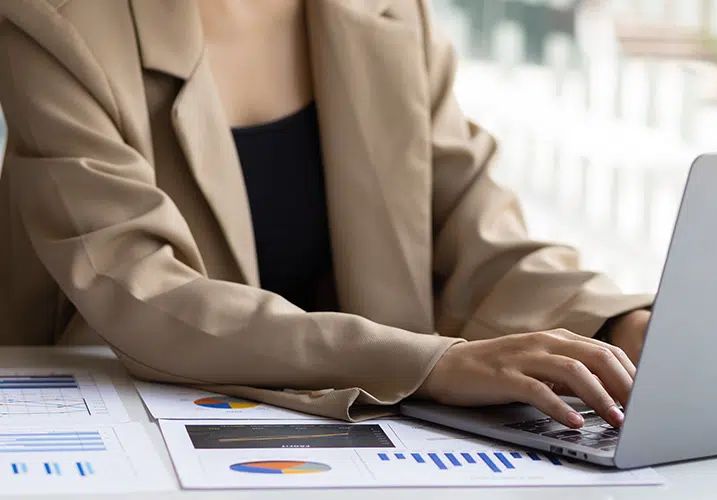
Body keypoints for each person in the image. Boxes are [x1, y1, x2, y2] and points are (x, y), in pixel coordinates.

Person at [0, 0, 652, 428]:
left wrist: (619, 325)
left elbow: (475, 233)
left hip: (364, 441)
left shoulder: (391, 15)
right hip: (132, 428)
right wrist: (429, 364)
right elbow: (137, 288)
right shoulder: (56, 21)